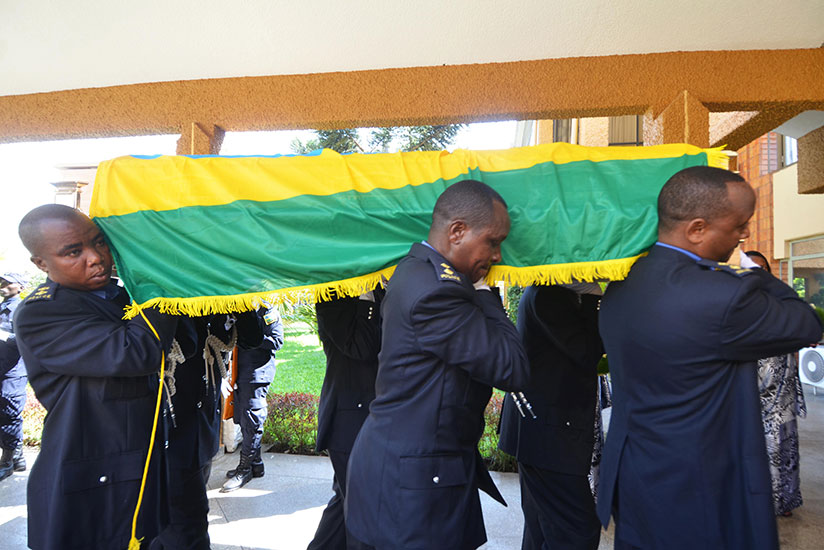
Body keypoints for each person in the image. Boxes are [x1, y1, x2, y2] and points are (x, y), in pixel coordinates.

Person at [596, 166, 824, 549]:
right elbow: (805, 324)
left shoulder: (622, 284)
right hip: (698, 487)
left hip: (634, 473)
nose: (745, 234)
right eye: (738, 226)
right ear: (697, 229)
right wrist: (751, 271)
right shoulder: (725, 296)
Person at [345, 179, 530, 550]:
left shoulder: (417, 270)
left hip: (413, 470)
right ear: (457, 231)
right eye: (492, 242)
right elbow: (512, 368)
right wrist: (486, 295)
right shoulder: (438, 290)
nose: (496, 256)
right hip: (413, 486)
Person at [14, 204, 179, 550]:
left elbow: (182, 344)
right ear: (41, 264)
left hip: (136, 463)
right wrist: (161, 280)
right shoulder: (41, 311)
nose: (96, 258)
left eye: (100, 243)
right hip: (91, 475)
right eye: (74, 252)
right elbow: (135, 351)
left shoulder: (116, 293)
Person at [498, 283, 604, 550]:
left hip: (541, 429)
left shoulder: (549, 291)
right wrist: (594, 298)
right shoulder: (550, 294)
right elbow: (588, 351)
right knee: (576, 530)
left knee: (541, 528)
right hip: (548, 433)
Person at [307, 289, 382, 550]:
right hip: (349, 421)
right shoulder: (332, 292)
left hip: (371, 417)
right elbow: (361, 345)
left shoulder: (382, 288)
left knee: (344, 506)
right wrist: (366, 295)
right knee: (364, 515)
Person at [746, 249, 808, 517]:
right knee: (751, 445)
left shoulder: (780, 302)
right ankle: (752, 499)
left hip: (781, 386)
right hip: (749, 387)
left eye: (763, 269)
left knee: (781, 442)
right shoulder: (735, 305)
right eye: (751, 269)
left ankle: (783, 499)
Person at [222, 305, 284, 492]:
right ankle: (256, 464)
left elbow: (277, 340)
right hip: (241, 372)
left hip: (258, 373)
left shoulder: (266, 311)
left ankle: (245, 469)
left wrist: (251, 338)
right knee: (244, 418)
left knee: (252, 419)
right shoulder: (239, 308)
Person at [0, 272, 27, 481]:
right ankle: (17, 457)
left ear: (19, 286)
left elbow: (26, 339)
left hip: (14, 370)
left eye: (6, 282)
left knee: (9, 412)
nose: (2, 285)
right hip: (2, 367)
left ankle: (8, 460)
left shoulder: (23, 309)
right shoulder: (2, 307)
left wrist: (2, 335)